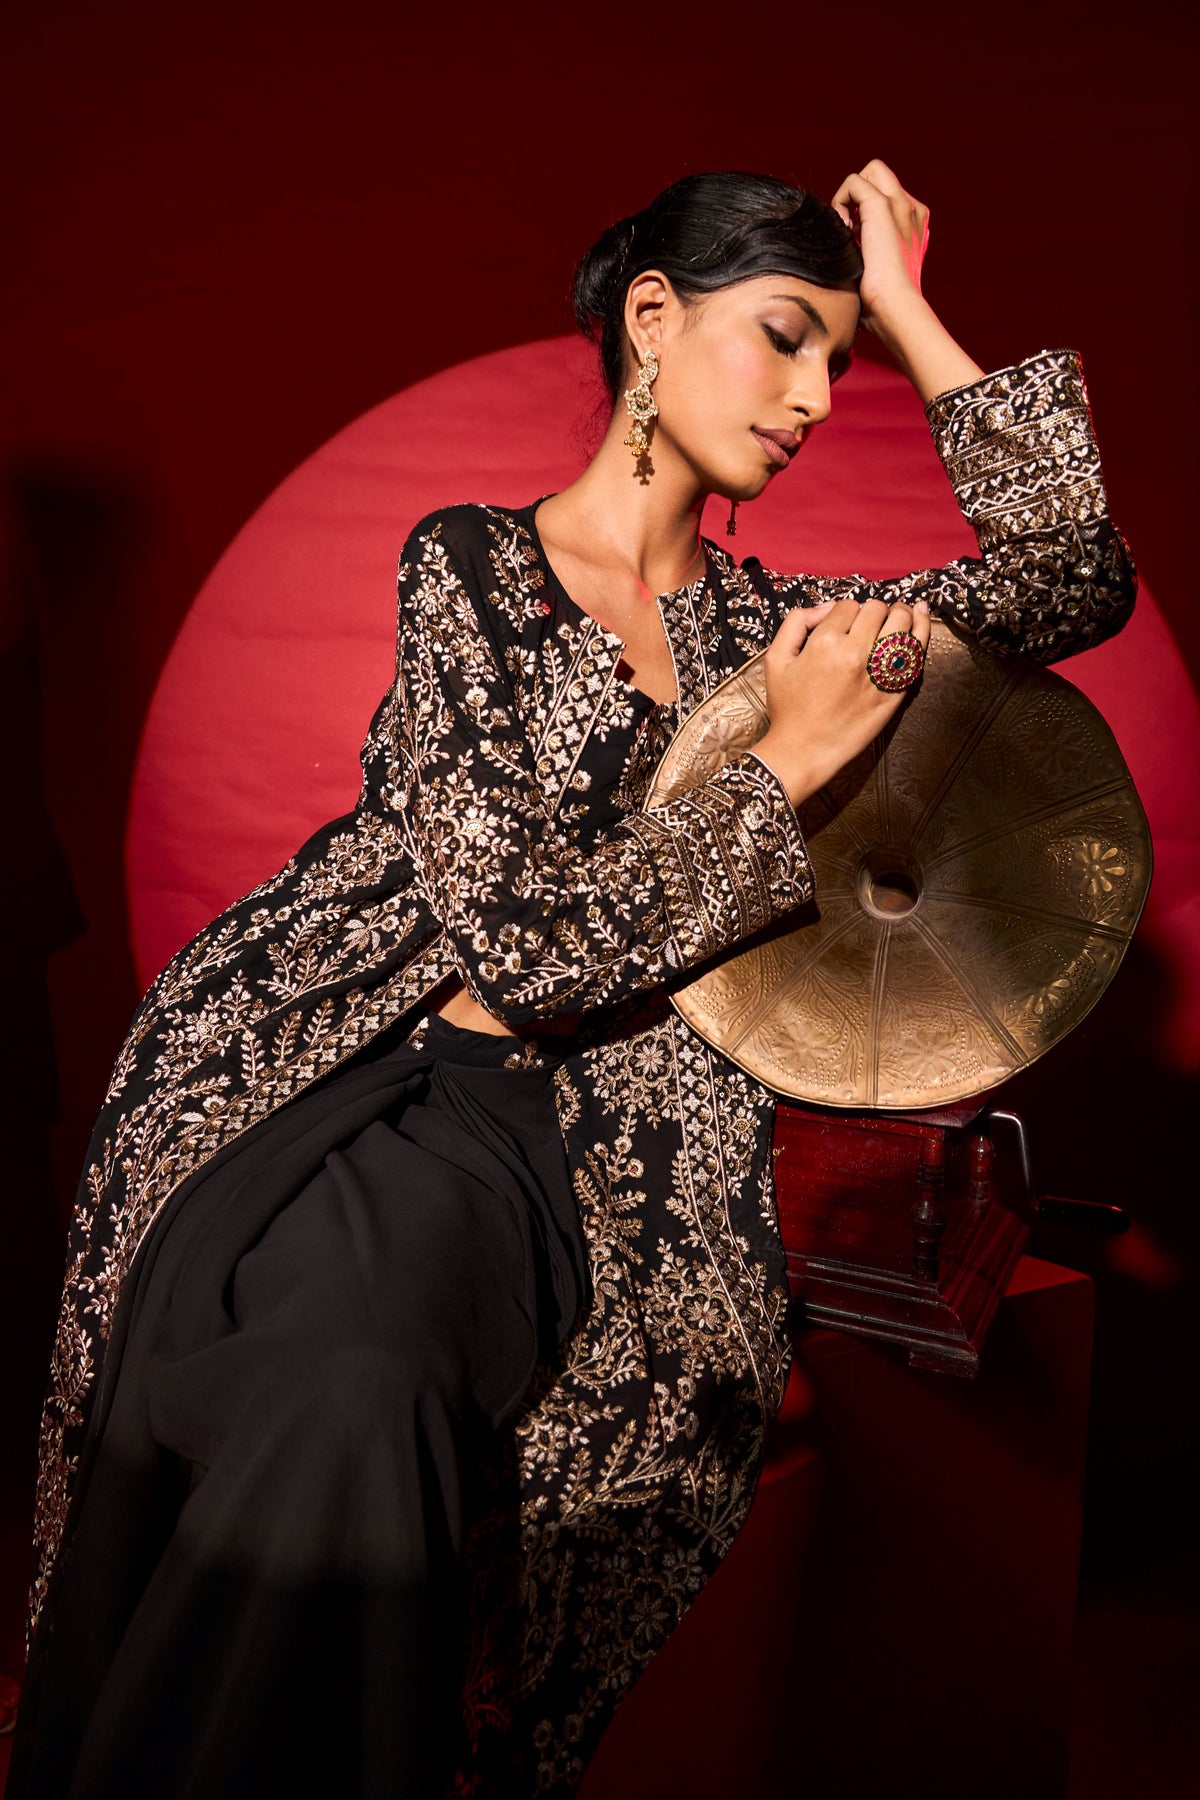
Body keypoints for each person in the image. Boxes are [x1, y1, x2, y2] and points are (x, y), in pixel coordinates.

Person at [9, 162, 1136, 1798]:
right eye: (787, 338)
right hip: (358, 1084)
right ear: (652, 320)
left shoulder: (792, 636)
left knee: (362, 1394)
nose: (819, 398)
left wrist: (904, 303)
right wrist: (781, 772)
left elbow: (1072, 569)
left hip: (589, 1151)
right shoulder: (469, 567)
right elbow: (526, 945)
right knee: (315, 1379)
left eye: (842, 360)